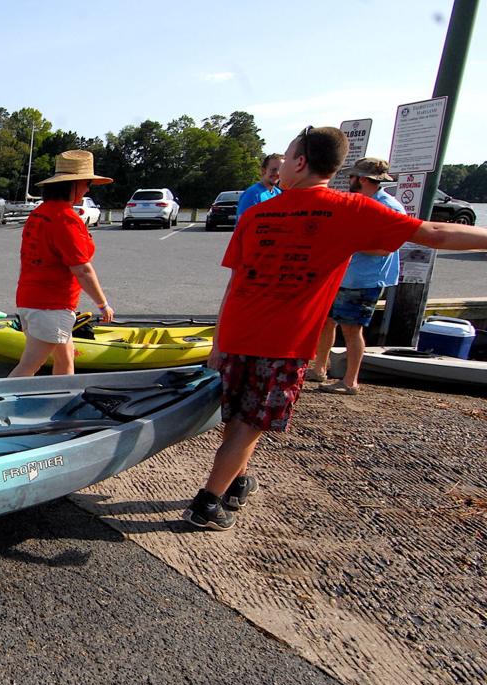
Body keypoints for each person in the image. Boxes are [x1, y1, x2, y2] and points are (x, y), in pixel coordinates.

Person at [186, 126, 487, 531]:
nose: (279, 170)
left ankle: (237, 480)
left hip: (239, 334)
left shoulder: (257, 213)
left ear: (300, 162)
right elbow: (435, 233)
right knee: (250, 423)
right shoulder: (349, 209)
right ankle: (207, 501)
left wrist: (219, 341)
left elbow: (235, 282)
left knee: (240, 417)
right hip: (284, 342)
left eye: (287, 156)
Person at [10, 150, 114, 377]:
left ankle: (63, 404)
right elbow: (82, 269)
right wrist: (102, 304)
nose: (88, 189)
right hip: (51, 306)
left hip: (31, 300)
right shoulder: (65, 218)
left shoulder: (39, 213)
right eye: (87, 183)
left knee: (66, 359)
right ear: (74, 185)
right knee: (29, 365)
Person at [306, 157, 406, 394]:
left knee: (351, 328)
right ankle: (320, 368)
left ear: (361, 179)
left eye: (352, 177)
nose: (349, 180)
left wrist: (345, 246)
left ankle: (350, 381)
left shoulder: (388, 208)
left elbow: (387, 248)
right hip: (342, 275)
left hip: (365, 279)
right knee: (326, 321)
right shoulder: (358, 201)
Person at [235, 153, 284, 221]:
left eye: (281, 170)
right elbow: (243, 224)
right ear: (263, 171)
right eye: (273, 169)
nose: (277, 173)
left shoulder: (278, 193)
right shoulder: (252, 194)